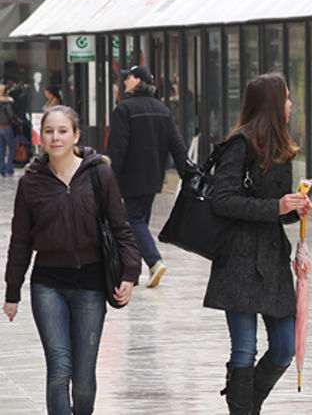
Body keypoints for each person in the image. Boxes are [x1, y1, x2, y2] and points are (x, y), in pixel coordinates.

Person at [3, 105, 141, 415]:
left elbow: (121, 227)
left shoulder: (99, 174)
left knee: (83, 378)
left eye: (63, 131)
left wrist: (130, 274)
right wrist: (12, 292)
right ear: (41, 136)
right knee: (59, 367)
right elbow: (21, 241)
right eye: (49, 131)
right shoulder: (31, 182)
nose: (55, 137)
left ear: (75, 135)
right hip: (47, 284)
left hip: (91, 282)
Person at [204, 73, 312, 415]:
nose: (291, 104)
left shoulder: (282, 147)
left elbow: (277, 210)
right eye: (286, 98)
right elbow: (221, 199)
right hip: (238, 258)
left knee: (284, 347)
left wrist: (295, 209)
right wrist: (276, 207)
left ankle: (247, 405)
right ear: (271, 104)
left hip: (271, 259)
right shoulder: (240, 144)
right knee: (244, 350)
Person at [106, 65, 188, 288]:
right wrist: (187, 173)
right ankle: (135, 269)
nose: (124, 82)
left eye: (128, 78)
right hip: (153, 178)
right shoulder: (162, 109)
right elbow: (177, 145)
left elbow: (117, 148)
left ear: (138, 81)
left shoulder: (124, 109)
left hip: (130, 178)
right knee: (140, 220)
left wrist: (109, 177)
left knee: (134, 221)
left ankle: (153, 261)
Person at [0, 84, 16, 176]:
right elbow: (10, 115)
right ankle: (9, 169)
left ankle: (1, 169)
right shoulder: (6, 103)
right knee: (11, 148)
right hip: (7, 127)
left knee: (1, 149)